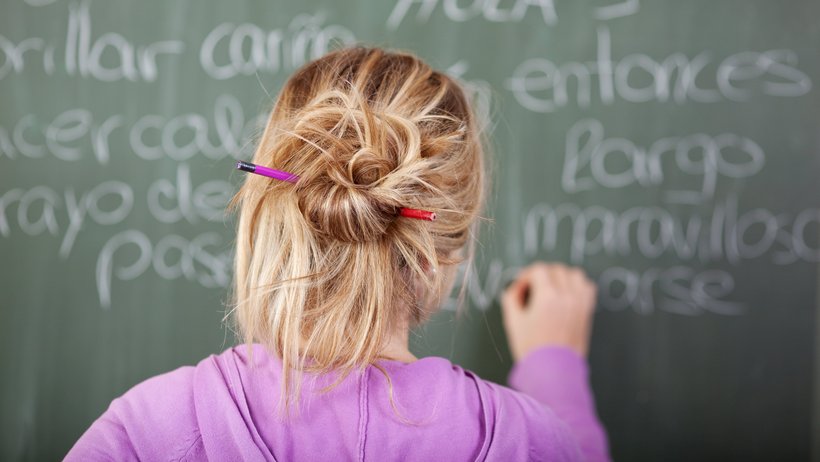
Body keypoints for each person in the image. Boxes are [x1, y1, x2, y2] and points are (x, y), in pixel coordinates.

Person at [66, 47, 610, 461]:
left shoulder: (149, 430)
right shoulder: (531, 439)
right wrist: (553, 370)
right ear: (448, 244)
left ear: (270, 207)